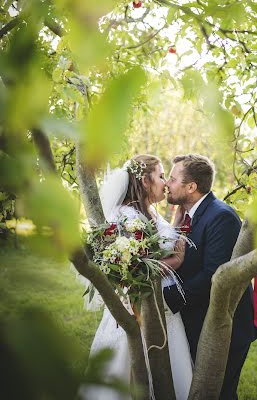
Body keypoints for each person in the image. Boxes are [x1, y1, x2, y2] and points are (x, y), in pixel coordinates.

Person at [80, 154, 193, 400]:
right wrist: (177, 261)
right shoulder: (125, 217)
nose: (165, 182)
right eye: (161, 176)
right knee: (134, 366)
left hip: (163, 305)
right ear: (144, 181)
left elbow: (162, 240)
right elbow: (137, 270)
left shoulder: (150, 212)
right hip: (139, 306)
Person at [163, 154, 257, 400]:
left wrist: (165, 298)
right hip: (198, 319)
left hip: (227, 327)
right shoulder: (187, 215)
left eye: (173, 179)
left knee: (220, 393)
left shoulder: (220, 217)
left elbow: (214, 276)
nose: (167, 183)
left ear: (191, 187)